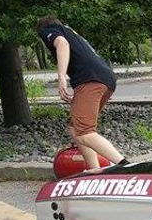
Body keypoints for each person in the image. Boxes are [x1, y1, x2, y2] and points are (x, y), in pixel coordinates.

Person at [36, 16, 127, 169]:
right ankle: (94, 170)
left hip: (90, 79)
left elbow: (62, 45)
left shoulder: (48, 29)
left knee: (84, 133)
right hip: (106, 78)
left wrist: (61, 77)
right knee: (75, 128)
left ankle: (127, 166)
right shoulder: (71, 32)